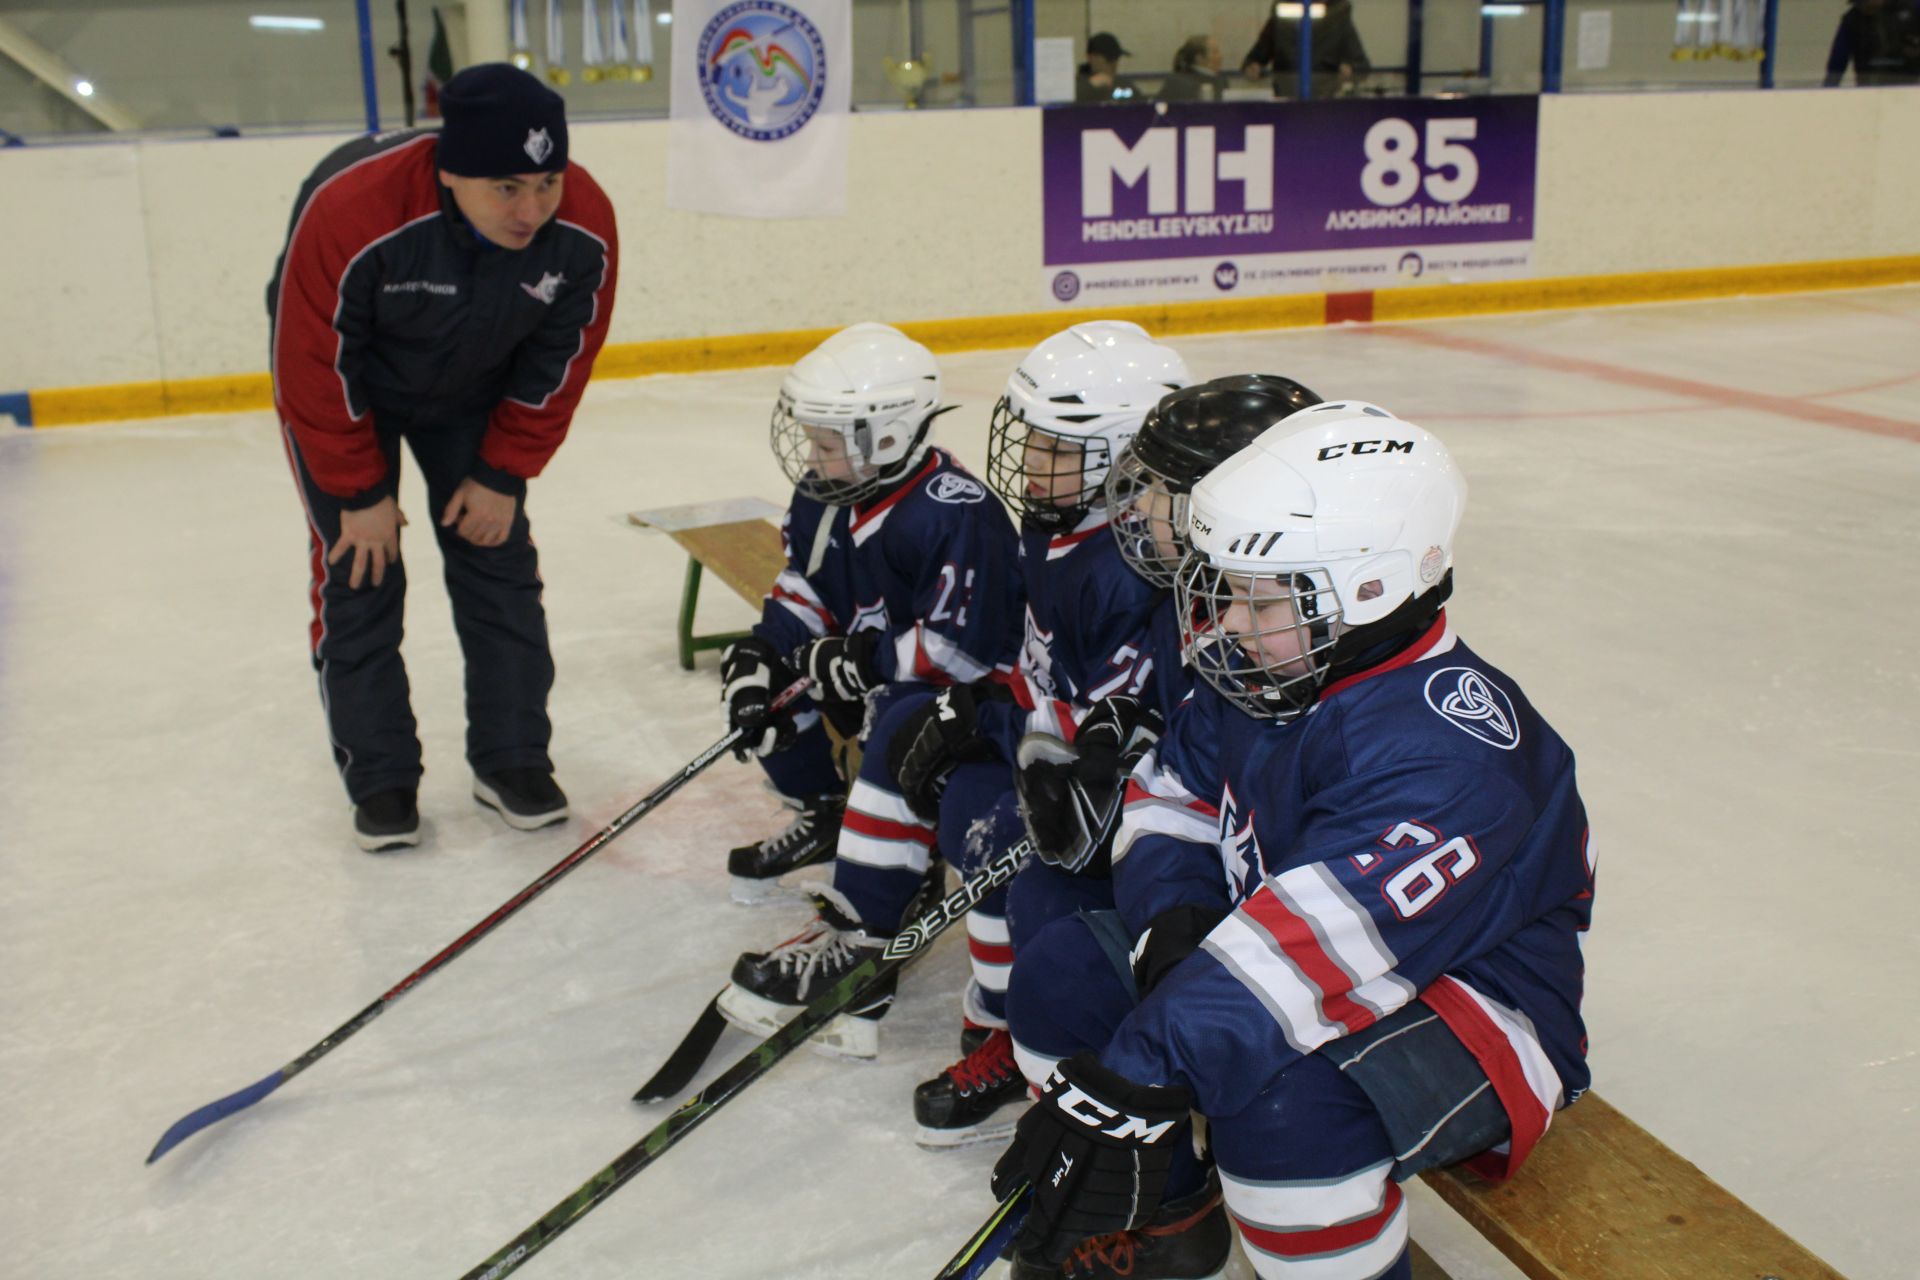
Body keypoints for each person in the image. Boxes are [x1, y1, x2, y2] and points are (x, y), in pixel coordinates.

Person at [991, 401, 1595, 1280]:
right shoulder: (1277, 668)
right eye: (1227, 590)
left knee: (1280, 1105)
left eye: (1258, 597)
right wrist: (1175, 920)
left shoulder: (1457, 757)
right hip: (1286, 945)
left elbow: (1309, 956)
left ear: (1369, 589)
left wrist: (1130, 1078)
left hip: (1470, 1005)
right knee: (1063, 971)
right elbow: (1172, 798)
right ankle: (1161, 1216)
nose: (1225, 620)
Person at [717, 322, 1187, 1071]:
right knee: (903, 729)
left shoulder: (1129, 570)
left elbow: (1100, 728)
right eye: (1031, 438)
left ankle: (1002, 1025)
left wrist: (977, 711)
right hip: (1026, 733)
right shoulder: (1058, 523)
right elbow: (1039, 668)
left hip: (1097, 794)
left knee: (997, 834)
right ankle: (864, 935)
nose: (1031, 463)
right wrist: (765, 650)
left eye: (1058, 448)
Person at [267, 63, 619, 852]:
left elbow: (561, 360)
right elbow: (311, 363)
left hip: (476, 387)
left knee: (497, 560)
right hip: (349, 386)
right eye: (506, 188)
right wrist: (358, 490)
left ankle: (514, 760)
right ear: (450, 172)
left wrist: (501, 473)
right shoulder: (354, 211)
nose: (532, 211)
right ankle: (381, 777)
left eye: (547, 181)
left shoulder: (584, 224)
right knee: (361, 569)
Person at [714, 321, 1023, 928]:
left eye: (827, 445)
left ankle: (896, 873)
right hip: (875, 672)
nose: (812, 459)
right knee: (767, 685)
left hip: (955, 699)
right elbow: (808, 585)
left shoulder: (952, 513)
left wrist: (864, 663)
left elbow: (965, 650)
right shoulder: (825, 493)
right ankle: (826, 813)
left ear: (886, 437)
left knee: (891, 714)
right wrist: (765, 649)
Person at [1242, 0, 1371, 99]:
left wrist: (1349, 70)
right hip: (1285, 103)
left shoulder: (1338, 15)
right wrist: (1253, 67)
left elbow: (1361, 66)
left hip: (1325, 103)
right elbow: (1255, 59)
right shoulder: (1282, 12)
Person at [1824, 0, 1920, 84]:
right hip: (1869, 85)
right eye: (1858, 3)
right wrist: (1829, 88)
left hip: (1910, 83)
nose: (1864, 8)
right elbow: (1838, 59)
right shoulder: (1853, 19)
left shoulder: (1913, 8)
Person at [1158, 35, 1230, 102]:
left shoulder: (1221, 80)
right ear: (1199, 58)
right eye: (1215, 52)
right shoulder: (1179, 82)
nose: (1220, 56)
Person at [1076, 32, 1143, 103]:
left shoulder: (1123, 85)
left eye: (1116, 58)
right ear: (1090, 57)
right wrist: (1089, 86)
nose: (1113, 64)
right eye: (1109, 58)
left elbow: (1143, 107)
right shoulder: (1077, 86)